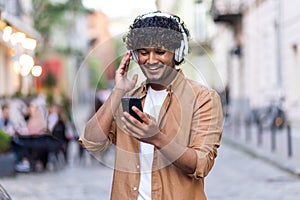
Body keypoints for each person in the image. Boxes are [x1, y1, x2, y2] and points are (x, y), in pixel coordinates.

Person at [79, 11, 223, 200]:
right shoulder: (128, 98)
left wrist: (157, 138)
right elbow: (91, 142)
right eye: (144, 52)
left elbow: (200, 164)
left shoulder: (203, 99)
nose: (151, 60)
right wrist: (117, 91)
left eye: (160, 52)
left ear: (177, 53)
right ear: (135, 56)